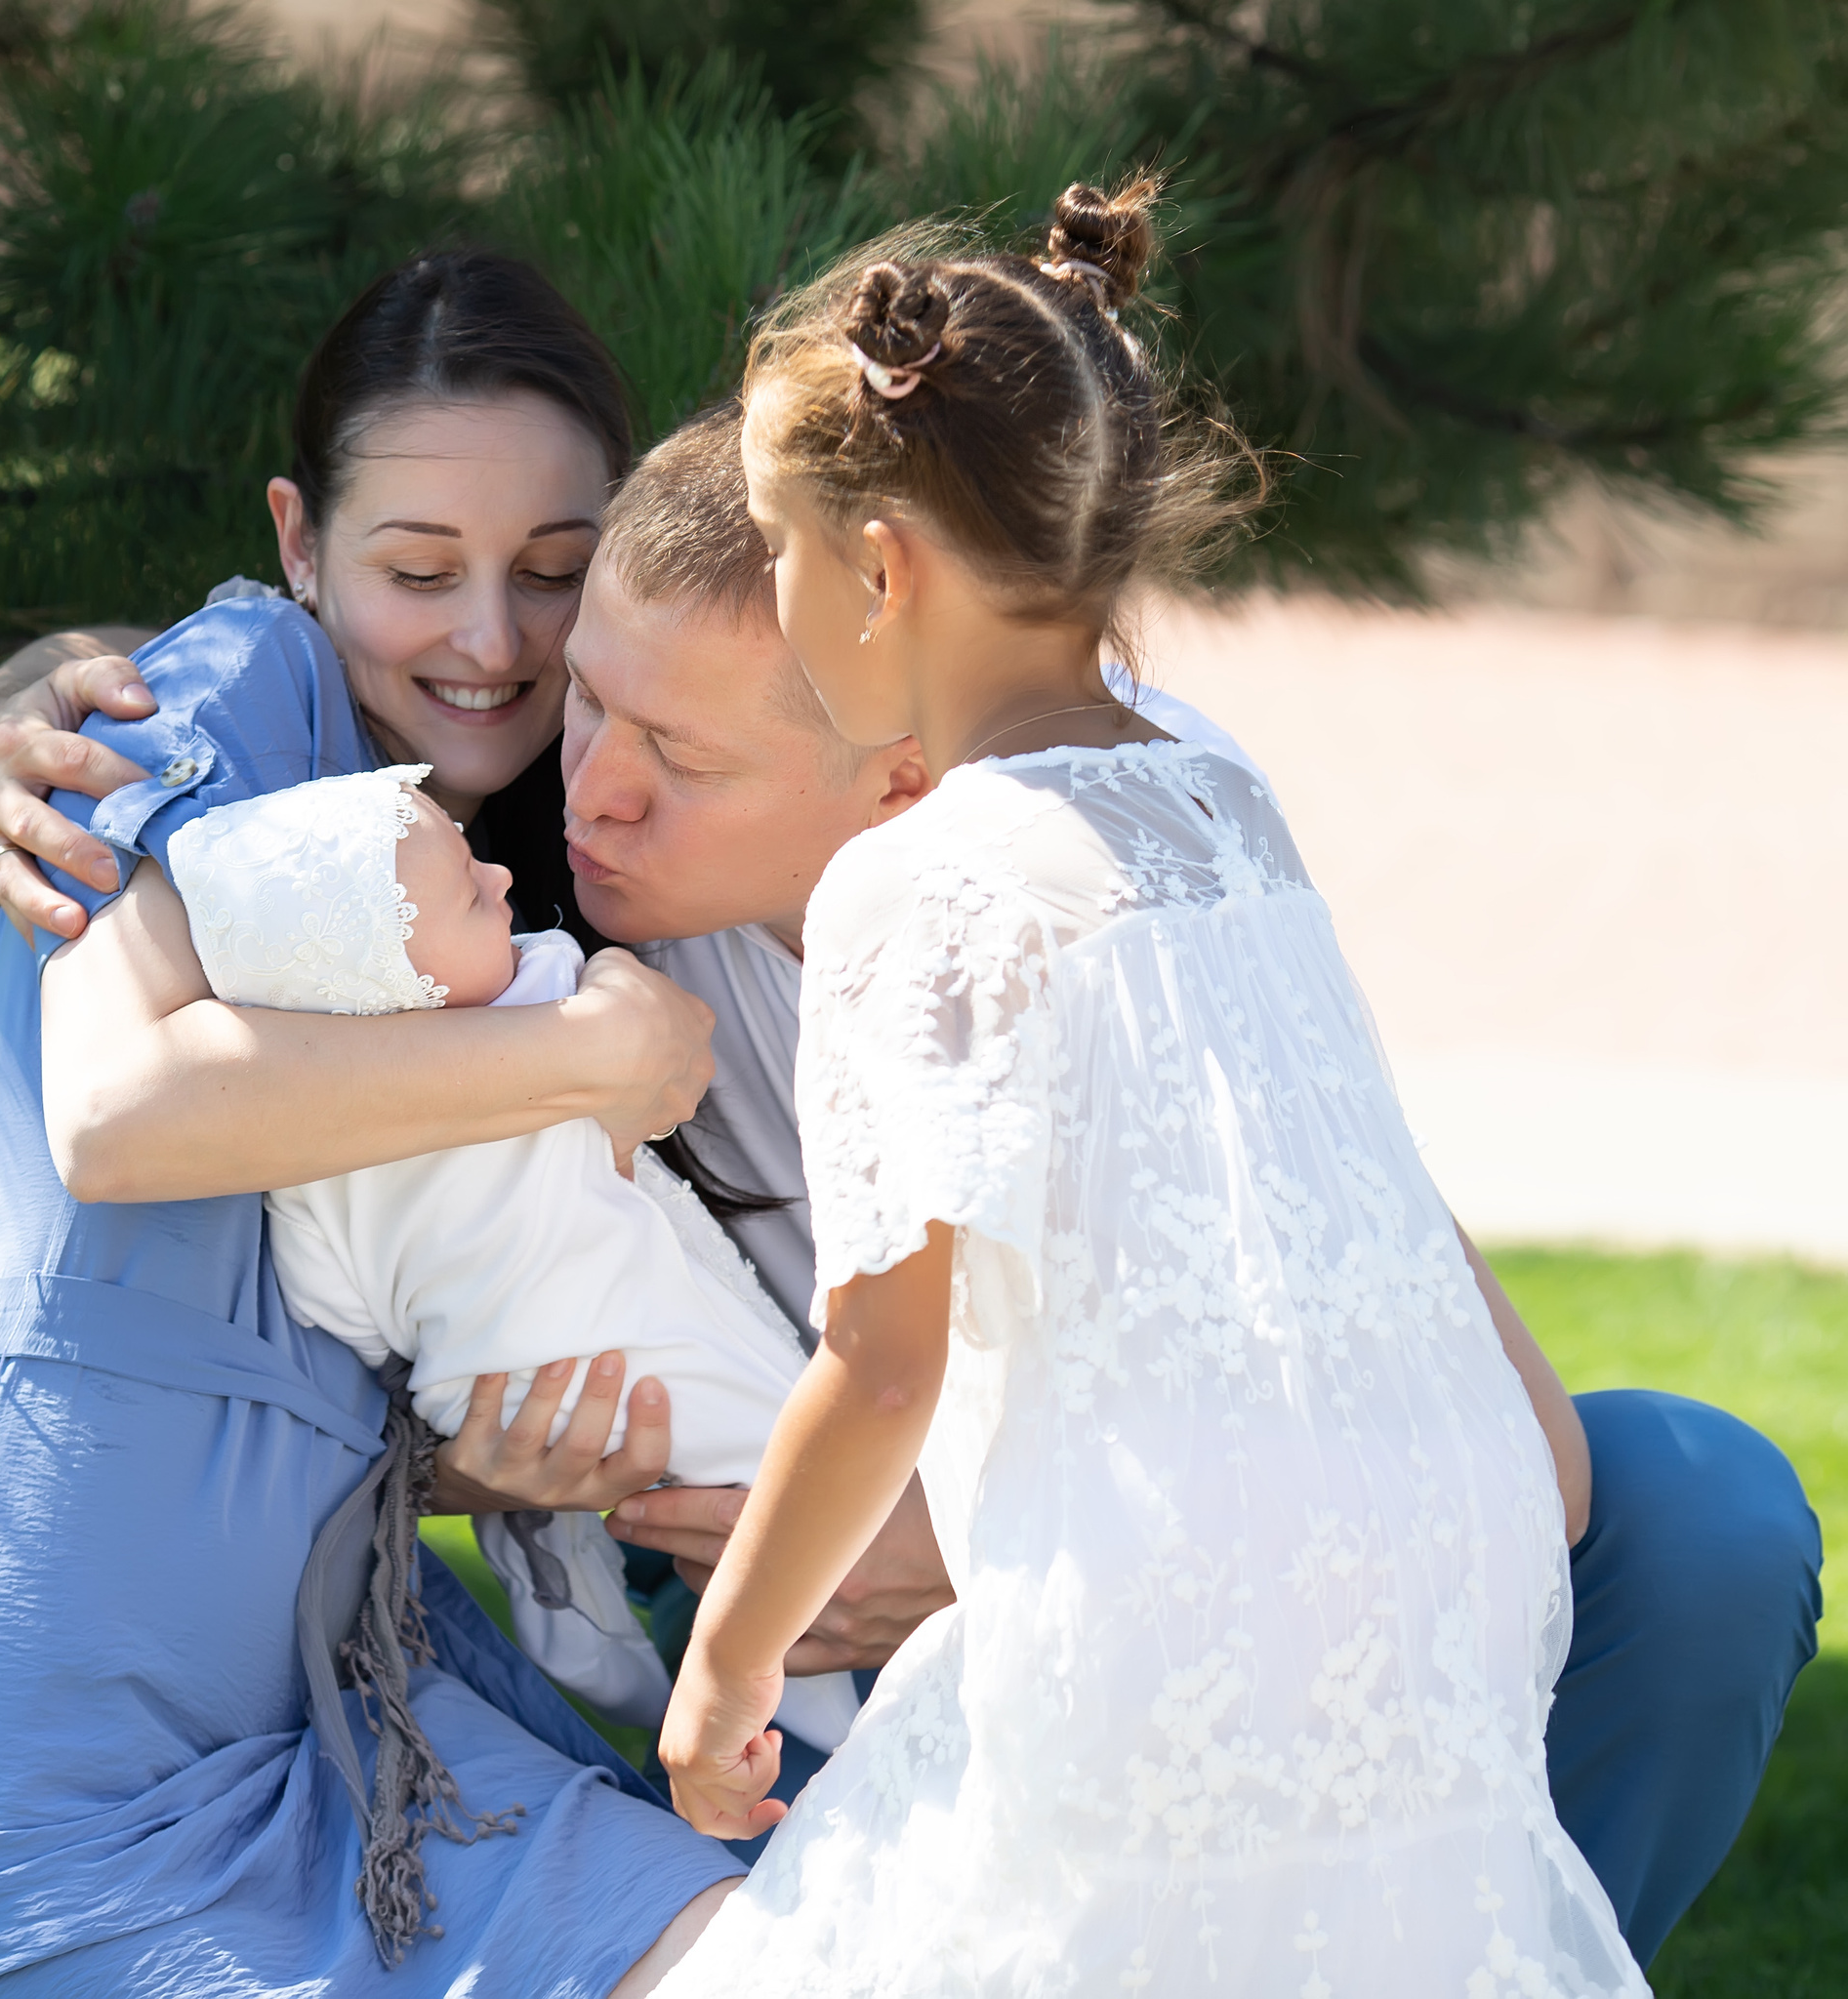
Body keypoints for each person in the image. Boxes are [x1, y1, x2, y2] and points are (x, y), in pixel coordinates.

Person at [0, 306, 1823, 1984]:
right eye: (583, 689)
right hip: (728, 1637)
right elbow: (228, 853)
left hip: (1086, 1570)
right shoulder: (515, 890)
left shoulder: (1081, 853)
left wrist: (984, 1536)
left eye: (667, 744)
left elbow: (1489, 1414)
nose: (562, 750)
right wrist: (22, 695)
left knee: (1700, 1512)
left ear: (883, 733)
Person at [647, 185, 1650, 1993]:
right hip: (1438, 1570)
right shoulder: (1220, 809)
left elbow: (885, 1359)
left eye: (783, 552)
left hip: (1157, 1605)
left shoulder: (917, 882)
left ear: (885, 570)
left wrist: (731, 1655)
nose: (782, 601)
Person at [0, 251, 752, 1999]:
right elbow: (119, 1116)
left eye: (554, 573)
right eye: (416, 569)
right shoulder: (237, 685)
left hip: (330, 1724)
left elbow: (288, 1361)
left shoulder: (514, 879)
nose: (490, 639)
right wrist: (590, 1058)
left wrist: (477, 1468)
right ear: (301, 544)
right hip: (46, 1790)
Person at [159, 762, 859, 1745]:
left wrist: (411, 1345)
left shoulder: (311, 1154)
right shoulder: (536, 991)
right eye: (464, 889)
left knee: (574, 1521)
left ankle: (602, 1635)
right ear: (387, 974)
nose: (498, 880)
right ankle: (796, 1711)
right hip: (645, 1343)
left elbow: (335, 1298)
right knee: (770, 1460)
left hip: (479, 1385)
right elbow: (610, 992)